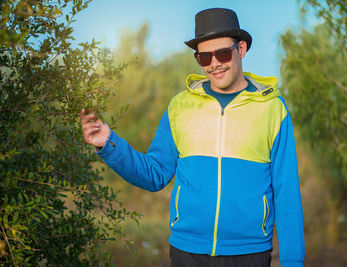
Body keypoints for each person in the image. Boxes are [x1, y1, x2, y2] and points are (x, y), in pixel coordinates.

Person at [80, 8, 304, 267]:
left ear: (241, 49)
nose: (214, 64)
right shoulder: (180, 106)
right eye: (204, 57)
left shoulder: (274, 110)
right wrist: (109, 143)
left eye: (222, 53)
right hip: (187, 253)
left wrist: (293, 261)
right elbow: (154, 174)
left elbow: (287, 193)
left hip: (249, 253)